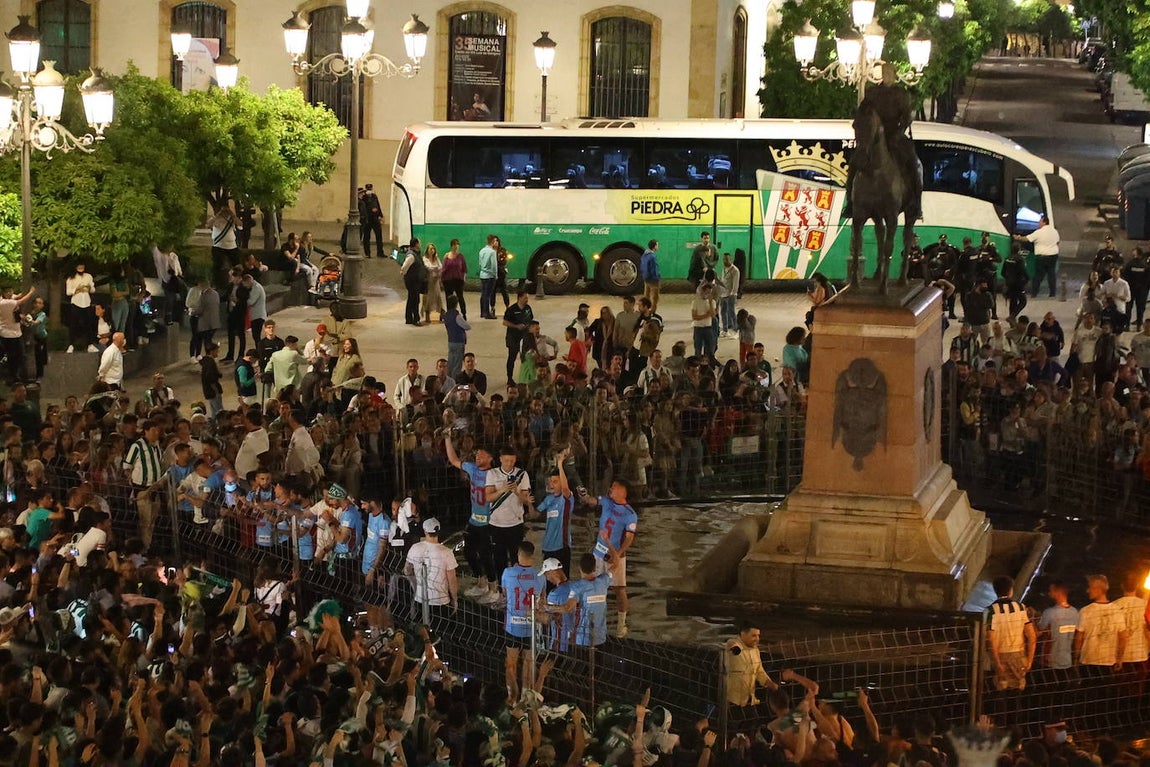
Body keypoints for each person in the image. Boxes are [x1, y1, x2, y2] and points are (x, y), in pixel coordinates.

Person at [585, 479, 638, 638]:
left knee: (619, 589)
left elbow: (629, 538)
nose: (611, 489)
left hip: (615, 556)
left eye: (614, 487)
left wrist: (618, 554)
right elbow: (593, 501)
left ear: (623, 491)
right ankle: (593, 623)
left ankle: (621, 625)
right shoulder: (607, 501)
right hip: (598, 552)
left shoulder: (630, 514)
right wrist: (585, 496)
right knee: (593, 585)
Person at [500, 540, 545, 701]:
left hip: (512, 626)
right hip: (531, 626)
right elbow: (542, 601)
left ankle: (512, 696)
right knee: (528, 663)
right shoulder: (540, 576)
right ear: (532, 555)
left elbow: (505, 594)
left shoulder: (507, 573)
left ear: (519, 554)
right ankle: (526, 697)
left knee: (510, 664)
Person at [725, 621, 780, 732]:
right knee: (732, 731)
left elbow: (759, 671)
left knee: (752, 730)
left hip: (750, 700)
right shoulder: (733, 644)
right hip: (733, 701)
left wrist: (769, 682)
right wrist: (736, 650)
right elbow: (732, 646)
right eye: (753, 635)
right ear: (743, 634)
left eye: (758, 635)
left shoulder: (755, 650)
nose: (757, 639)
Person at [486, 444, 532, 575]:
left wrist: (516, 491)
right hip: (496, 524)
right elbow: (488, 497)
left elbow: (525, 500)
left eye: (512, 461)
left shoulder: (522, 475)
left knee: (516, 559)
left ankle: (516, 587)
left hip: (515, 523)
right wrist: (503, 489)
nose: (509, 463)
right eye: (506, 460)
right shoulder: (492, 473)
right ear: (500, 459)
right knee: (499, 560)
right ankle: (502, 589)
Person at [986, 575, 1037, 690]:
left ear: (995, 591)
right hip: (1019, 654)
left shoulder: (990, 611)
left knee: (1001, 688)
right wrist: (1029, 661)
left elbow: (991, 639)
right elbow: (1032, 637)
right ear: (1010, 591)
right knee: (1017, 688)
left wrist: (997, 662)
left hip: (1000, 653)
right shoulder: (1021, 607)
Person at [404, 517, 458, 623]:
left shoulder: (415, 548)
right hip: (441, 599)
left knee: (422, 633)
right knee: (439, 631)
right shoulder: (446, 552)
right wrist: (455, 599)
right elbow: (452, 580)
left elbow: (407, 570)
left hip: (420, 597)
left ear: (425, 531)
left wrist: (415, 580)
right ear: (438, 531)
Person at [123, 418, 164, 551]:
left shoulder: (156, 445)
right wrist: (133, 482)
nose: (157, 432)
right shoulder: (138, 446)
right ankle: (142, 549)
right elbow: (127, 465)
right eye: (153, 430)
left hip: (155, 488)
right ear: (146, 431)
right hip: (142, 488)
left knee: (152, 521)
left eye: (158, 430)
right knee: (144, 521)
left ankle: (147, 546)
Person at [536, 448, 574, 575]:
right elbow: (535, 514)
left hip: (561, 547)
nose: (552, 484)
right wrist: (524, 500)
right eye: (551, 481)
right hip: (547, 546)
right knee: (548, 581)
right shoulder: (548, 499)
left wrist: (560, 465)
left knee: (562, 580)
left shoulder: (567, 499)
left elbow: (565, 488)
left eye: (555, 481)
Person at [1075, 574, 1124, 672]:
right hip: (1108, 660)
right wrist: (1119, 659)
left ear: (1098, 589)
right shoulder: (1117, 610)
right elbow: (1122, 637)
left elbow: (1079, 638)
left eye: (1090, 587)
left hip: (1088, 660)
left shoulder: (1085, 611)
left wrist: (1076, 657)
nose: (1087, 591)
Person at [565, 552, 611, 648]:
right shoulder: (604, 581)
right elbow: (616, 566)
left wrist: (549, 608)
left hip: (582, 638)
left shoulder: (577, 587)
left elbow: (567, 608)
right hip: (600, 637)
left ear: (579, 568)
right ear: (595, 567)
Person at [1014, 215, 1060, 298]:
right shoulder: (1054, 231)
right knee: (1051, 274)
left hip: (1042, 257)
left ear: (1044, 222)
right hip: (1053, 256)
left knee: (1038, 275)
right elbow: (1057, 241)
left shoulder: (1039, 232)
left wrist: (1017, 237)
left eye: (1040, 221)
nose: (1039, 223)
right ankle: (1052, 293)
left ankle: (1034, 293)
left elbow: (1027, 239)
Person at [1038, 580, 1078, 672]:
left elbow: (1040, 630)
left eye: (1051, 590)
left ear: (1058, 592)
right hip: (1067, 660)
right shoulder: (1075, 612)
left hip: (1050, 660)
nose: (1049, 593)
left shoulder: (1049, 613)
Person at [503, 290, 533, 386]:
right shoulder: (511, 309)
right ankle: (509, 378)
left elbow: (531, 319)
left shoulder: (528, 308)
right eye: (525, 298)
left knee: (526, 357)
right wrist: (516, 326)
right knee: (512, 357)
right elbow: (505, 322)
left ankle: (526, 376)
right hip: (513, 337)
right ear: (519, 298)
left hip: (525, 336)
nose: (527, 300)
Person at [64, 262, 96, 353]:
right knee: (73, 325)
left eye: (82, 266)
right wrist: (77, 289)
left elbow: (93, 289)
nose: (81, 268)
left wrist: (88, 288)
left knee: (89, 324)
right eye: (79, 266)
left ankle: (90, 344)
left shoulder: (88, 276)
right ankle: (71, 345)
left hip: (87, 302)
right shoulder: (71, 278)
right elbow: (68, 292)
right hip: (76, 303)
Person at [207, 204, 241, 281]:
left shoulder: (231, 219)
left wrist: (232, 215)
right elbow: (208, 225)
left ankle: (237, 279)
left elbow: (240, 224)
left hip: (232, 246)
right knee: (217, 266)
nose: (225, 213)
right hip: (218, 245)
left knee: (237, 265)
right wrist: (218, 215)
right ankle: (216, 281)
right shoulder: (216, 219)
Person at [399, 238, 426, 326]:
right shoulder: (411, 256)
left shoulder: (415, 254)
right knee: (415, 300)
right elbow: (404, 267)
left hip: (415, 281)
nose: (420, 244)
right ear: (416, 244)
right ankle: (416, 319)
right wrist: (404, 274)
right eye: (419, 242)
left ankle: (409, 318)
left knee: (411, 299)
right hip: (413, 281)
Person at [442, 238, 469, 320]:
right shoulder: (446, 256)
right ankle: (450, 314)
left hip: (458, 280)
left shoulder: (461, 257)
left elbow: (464, 269)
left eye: (457, 245)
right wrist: (441, 278)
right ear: (451, 246)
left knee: (460, 297)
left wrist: (464, 278)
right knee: (448, 297)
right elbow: (443, 268)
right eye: (454, 245)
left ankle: (464, 313)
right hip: (448, 280)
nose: (456, 246)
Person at [691, 283, 718, 359]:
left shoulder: (712, 302)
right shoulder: (695, 302)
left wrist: (710, 303)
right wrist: (706, 315)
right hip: (698, 328)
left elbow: (713, 315)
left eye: (710, 293)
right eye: (707, 292)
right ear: (702, 291)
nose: (708, 294)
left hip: (708, 327)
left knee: (709, 350)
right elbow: (694, 317)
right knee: (698, 349)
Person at [422, 243, 446, 324]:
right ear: (427, 250)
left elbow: (441, 267)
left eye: (433, 249)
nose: (432, 250)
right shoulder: (425, 259)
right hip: (428, 282)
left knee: (438, 297)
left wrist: (436, 269)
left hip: (436, 282)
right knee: (428, 299)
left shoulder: (436, 258)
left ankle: (442, 314)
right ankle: (427, 315)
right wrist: (436, 269)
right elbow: (428, 267)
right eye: (430, 249)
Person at [199, 341, 224, 417]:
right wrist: (215, 390)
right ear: (211, 351)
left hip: (209, 390)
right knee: (219, 411)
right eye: (216, 351)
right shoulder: (210, 363)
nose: (218, 352)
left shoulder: (206, 361)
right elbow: (210, 377)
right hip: (213, 391)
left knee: (214, 411)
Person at [243, 272, 268, 346]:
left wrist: (241, 301)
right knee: (256, 336)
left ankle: (260, 352)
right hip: (256, 315)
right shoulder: (255, 287)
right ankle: (259, 351)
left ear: (248, 281)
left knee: (256, 336)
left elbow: (251, 301)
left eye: (245, 284)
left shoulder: (256, 288)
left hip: (258, 316)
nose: (245, 286)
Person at [718, 252, 740, 339]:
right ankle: (725, 330)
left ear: (730, 259)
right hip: (723, 294)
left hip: (730, 295)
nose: (725, 261)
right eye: (724, 259)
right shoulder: (723, 269)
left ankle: (736, 331)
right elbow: (722, 280)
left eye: (727, 259)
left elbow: (735, 284)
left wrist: (732, 294)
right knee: (723, 312)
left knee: (732, 313)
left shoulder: (735, 270)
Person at [26, 296, 47, 379]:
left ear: (42, 306)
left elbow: (36, 322)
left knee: (40, 356)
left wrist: (29, 320)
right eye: (36, 303)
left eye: (40, 303)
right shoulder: (31, 313)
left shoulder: (42, 314)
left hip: (41, 337)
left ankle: (39, 375)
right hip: (32, 336)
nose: (37, 305)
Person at [478, 234, 499, 319]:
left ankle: (482, 312)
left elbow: (480, 262)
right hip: (490, 276)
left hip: (482, 275)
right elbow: (494, 265)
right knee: (488, 295)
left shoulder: (482, 250)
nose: (497, 243)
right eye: (496, 241)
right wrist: (495, 275)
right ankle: (487, 313)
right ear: (492, 242)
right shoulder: (492, 252)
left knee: (483, 294)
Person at [361, 182, 384, 257]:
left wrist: (380, 215)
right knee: (366, 237)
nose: (369, 190)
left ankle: (380, 252)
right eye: (368, 189)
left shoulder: (374, 196)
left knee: (379, 236)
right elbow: (363, 208)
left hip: (375, 218)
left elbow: (378, 205)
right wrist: (371, 210)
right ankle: (367, 253)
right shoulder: (364, 198)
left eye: (370, 189)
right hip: (368, 219)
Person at [640, 239, 661, 311]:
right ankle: (652, 311)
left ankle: (645, 309)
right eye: (657, 245)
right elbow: (654, 269)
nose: (658, 247)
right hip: (653, 280)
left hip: (646, 278)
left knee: (646, 296)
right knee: (655, 298)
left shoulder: (644, 255)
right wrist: (657, 277)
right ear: (654, 246)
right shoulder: (652, 256)